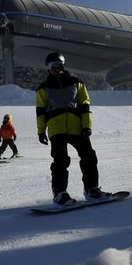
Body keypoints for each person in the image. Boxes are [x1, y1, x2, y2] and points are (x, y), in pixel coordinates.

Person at [36, 52, 109, 205]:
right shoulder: (44, 88)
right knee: (60, 160)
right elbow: (40, 111)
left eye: (56, 66)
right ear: (47, 69)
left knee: (89, 156)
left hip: (77, 127)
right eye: (50, 67)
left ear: (62, 66)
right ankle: (60, 193)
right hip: (56, 129)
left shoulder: (76, 82)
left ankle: (92, 189)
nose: (54, 69)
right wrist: (41, 131)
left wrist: (87, 126)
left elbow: (84, 104)